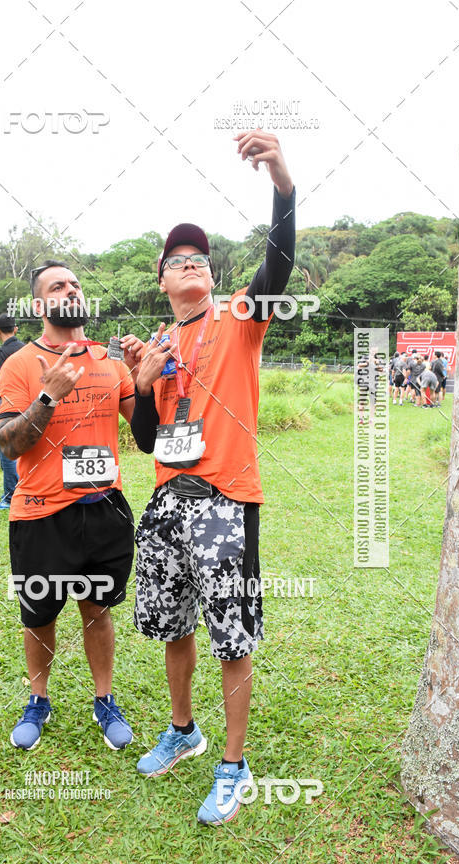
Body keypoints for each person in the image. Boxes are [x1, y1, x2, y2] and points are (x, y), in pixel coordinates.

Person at [126, 129, 295, 825]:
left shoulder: (237, 319)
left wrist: (282, 182)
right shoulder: (161, 345)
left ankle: (233, 763)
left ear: (212, 276)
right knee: (173, 624)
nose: (189, 262)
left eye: (199, 256)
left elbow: (279, 265)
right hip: (167, 499)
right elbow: (148, 440)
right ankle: (183, 729)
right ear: (163, 280)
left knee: (232, 634)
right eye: (176, 258)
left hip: (225, 498)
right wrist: (139, 385)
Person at [0, 261, 136, 753]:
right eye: (58, 285)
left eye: (75, 283)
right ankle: (38, 700)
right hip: (40, 513)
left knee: (98, 611)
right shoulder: (19, 364)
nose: (70, 289)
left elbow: (147, 432)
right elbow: (9, 446)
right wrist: (48, 396)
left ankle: (104, 699)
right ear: (39, 306)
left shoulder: (108, 361)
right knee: (39, 615)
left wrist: (147, 379)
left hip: (103, 510)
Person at [0, 313, 25, 510]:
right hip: (29, 407)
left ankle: (10, 496)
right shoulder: (26, 349)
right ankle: (25, 491)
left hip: (8, 407)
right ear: (16, 329)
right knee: (24, 453)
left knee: (7, 453)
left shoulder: (2, 353)